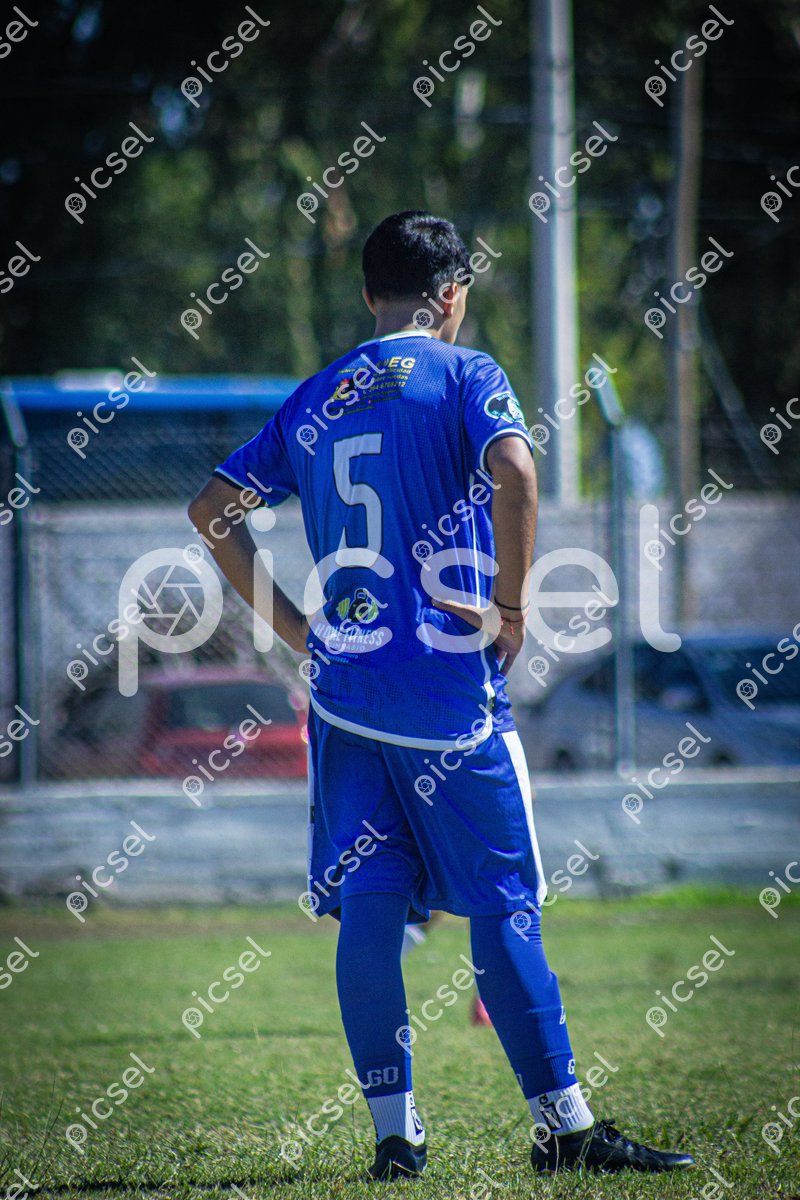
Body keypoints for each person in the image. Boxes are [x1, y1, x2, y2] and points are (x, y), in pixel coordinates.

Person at [188, 211, 695, 1179]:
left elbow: (211, 510)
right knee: (504, 902)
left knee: (372, 906)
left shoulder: (315, 395)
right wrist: (510, 608)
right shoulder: (467, 375)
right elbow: (516, 471)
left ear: (367, 295)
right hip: (446, 693)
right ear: (451, 293)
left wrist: (295, 629)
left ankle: (396, 1138)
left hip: (343, 697)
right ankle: (564, 1128)